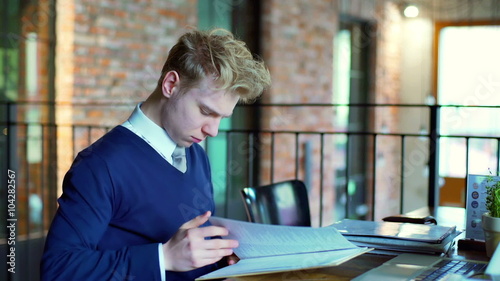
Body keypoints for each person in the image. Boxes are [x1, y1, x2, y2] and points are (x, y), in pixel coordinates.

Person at [41, 28, 271, 281]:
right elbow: (58, 269)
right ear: (171, 84)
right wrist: (164, 258)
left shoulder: (196, 154)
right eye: (206, 112)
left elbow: (189, 247)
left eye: (221, 118)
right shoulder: (100, 165)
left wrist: (219, 258)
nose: (213, 131)